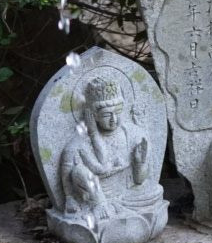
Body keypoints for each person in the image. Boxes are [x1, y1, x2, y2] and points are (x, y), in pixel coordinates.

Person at [58, 75, 152, 216]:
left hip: (129, 195)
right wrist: (70, 198)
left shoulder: (133, 134)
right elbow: (69, 175)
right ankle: (100, 206)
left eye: (118, 112)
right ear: (94, 115)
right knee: (78, 170)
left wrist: (140, 164)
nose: (114, 119)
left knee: (156, 191)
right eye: (107, 115)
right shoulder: (78, 144)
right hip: (95, 198)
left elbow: (139, 180)